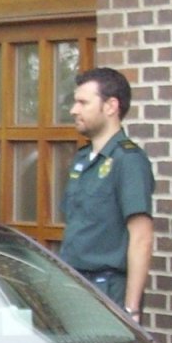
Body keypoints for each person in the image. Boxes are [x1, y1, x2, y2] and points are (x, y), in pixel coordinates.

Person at [58, 67, 154, 317]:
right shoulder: (83, 159)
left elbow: (141, 237)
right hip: (75, 285)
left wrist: (131, 309)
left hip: (107, 288)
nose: (74, 110)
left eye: (83, 102)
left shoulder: (128, 160)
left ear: (111, 106)